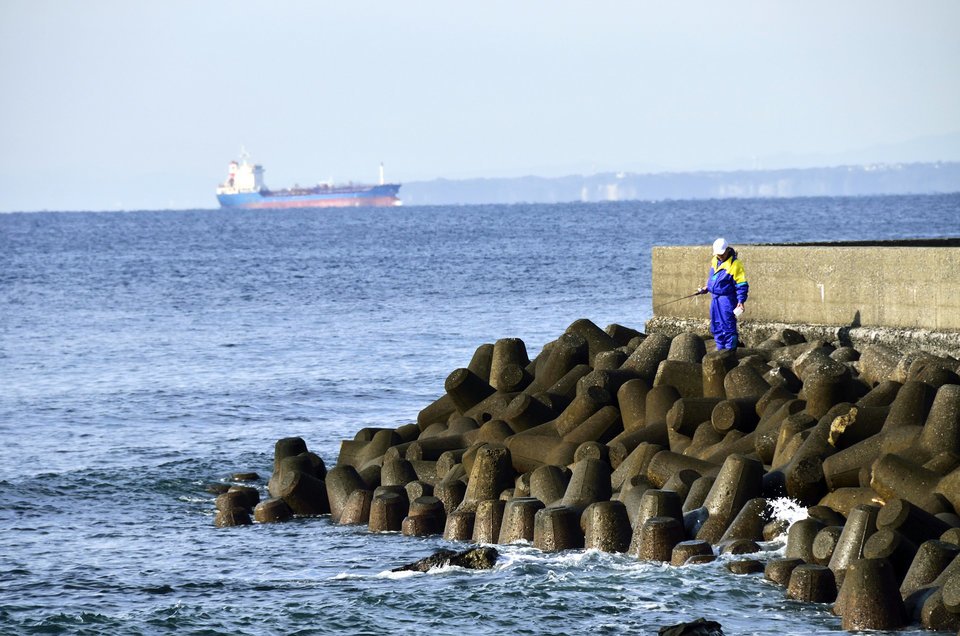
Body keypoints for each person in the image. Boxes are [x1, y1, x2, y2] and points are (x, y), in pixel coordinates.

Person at [696, 238, 748, 350]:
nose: (720, 256)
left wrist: (741, 301)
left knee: (728, 325)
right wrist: (707, 288)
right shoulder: (715, 260)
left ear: (727, 250)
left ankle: (730, 351)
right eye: (718, 254)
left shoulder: (735, 264)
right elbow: (713, 278)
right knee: (716, 325)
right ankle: (720, 349)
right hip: (715, 298)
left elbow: (741, 284)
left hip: (727, 299)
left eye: (722, 254)